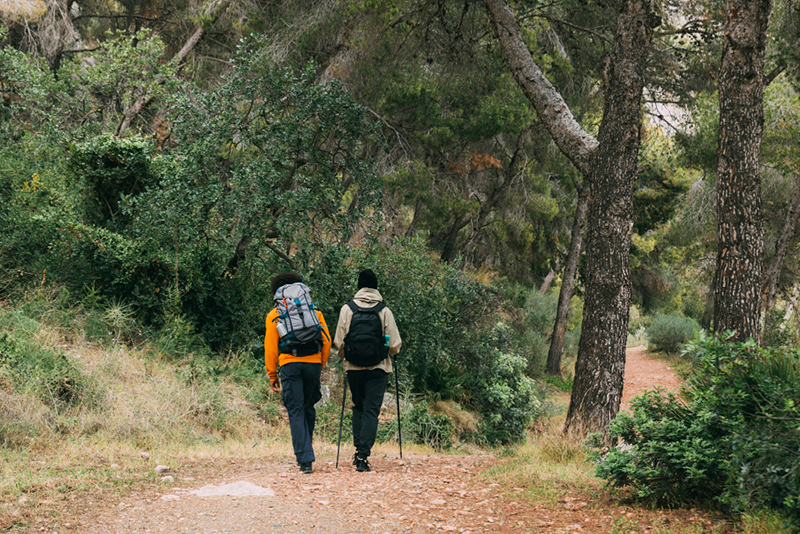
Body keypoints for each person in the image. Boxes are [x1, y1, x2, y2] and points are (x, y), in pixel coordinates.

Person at [334, 268, 402, 472]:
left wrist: (347, 357)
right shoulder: (384, 311)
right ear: (376, 287)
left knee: (358, 407)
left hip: (354, 368)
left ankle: (357, 450)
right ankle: (363, 456)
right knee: (371, 411)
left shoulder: (347, 309)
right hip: (378, 369)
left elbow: (339, 342)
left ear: (359, 286)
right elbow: (395, 345)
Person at [264, 272, 331, 474]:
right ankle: (306, 453)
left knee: (295, 410)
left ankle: (305, 459)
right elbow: (326, 341)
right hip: (313, 364)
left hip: (290, 365)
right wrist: (319, 363)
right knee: (308, 407)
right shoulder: (314, 311)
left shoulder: (274, 314)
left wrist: (272, 374)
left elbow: (271, 348)